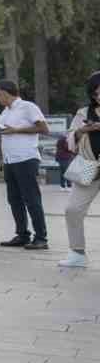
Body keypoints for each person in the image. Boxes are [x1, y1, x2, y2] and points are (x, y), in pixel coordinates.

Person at [0, 79, 49, 250]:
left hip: (26, 159)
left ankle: (41, 238)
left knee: (32, 199)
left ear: (4, 92)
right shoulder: (4, 112)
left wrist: (16, 130)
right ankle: (23, 235)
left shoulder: (28, 107)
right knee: (14, 199)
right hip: (10, 161)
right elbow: (6, 133)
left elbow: (44, 128)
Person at [59, 71, 100, 269]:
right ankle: (77, 252)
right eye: (97, 93)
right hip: (89, 168)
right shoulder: (83, 113)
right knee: (72, 210)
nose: (99, 96)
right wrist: (83, 130)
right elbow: (69, 139)